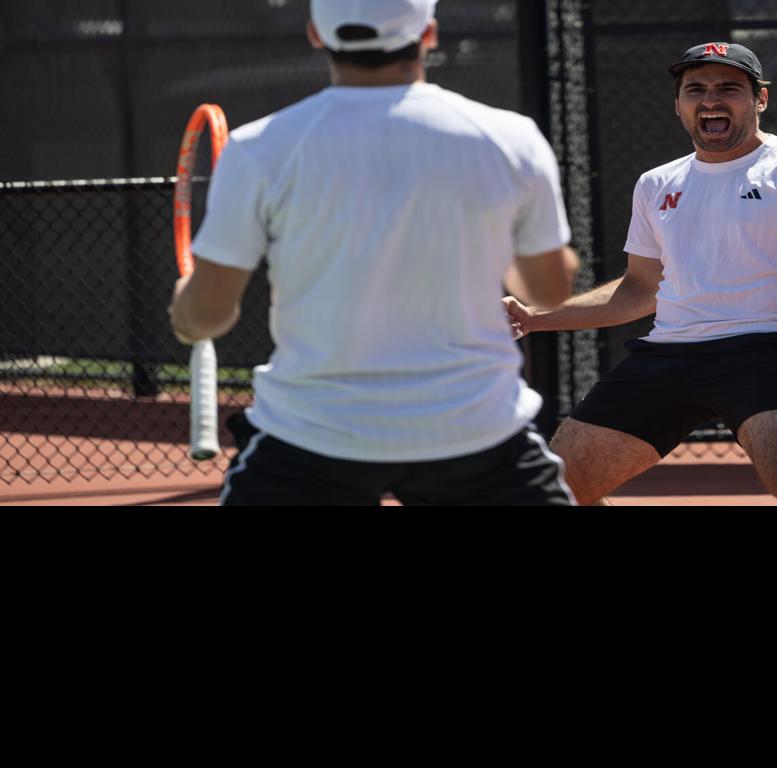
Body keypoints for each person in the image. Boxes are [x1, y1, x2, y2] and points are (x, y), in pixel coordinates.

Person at [168, 0, 580, 505]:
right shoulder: (510, 139)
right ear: (428, 34)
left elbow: (205, 316)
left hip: (311, 438)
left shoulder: (259, 148)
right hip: (475, 431)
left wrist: (185, 308)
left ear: (316, 35)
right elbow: (548, 289)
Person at [503, 41, 777, 506]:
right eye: (695, 89)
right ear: (679, 104)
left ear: (759, 98)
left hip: (764, 350)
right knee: (554, 490)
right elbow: (639, 290)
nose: (711, 100)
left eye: (729, 88)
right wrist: (534, 317)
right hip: (668, 354)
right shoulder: (656, 183)